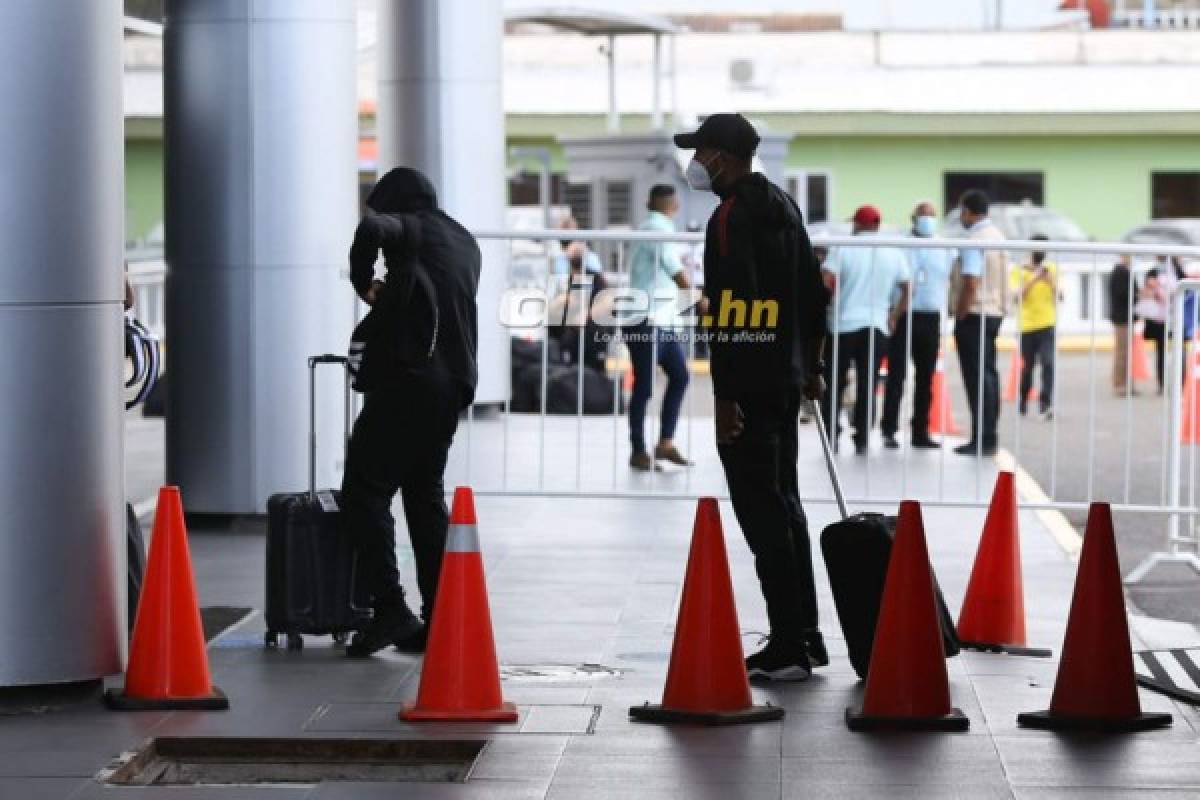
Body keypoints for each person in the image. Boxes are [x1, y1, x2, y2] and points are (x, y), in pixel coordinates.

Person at [675, 113, 830, 680]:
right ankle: (805, 636)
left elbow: (734, 314)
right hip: (786, 380)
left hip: (751, 386)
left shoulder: (730, 219)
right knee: (786, 505)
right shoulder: (785, 207)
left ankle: (789, 643)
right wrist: (812, 365)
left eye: (701, 152)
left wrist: (725, 398)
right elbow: (816, 297)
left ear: (721, 156)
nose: (695, 163)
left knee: (763, 512)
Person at [342, 167, 480, 657]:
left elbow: (373, 231)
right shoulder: (463, 240)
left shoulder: (411, 226)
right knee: (423, 497)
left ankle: (389, 609)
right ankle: (440, 617)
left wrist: (365, 282)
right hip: (451, 385)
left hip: (410, 381)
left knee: (364, 490)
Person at [820, 205, 910, 455]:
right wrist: (894, 315)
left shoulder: (843, 247)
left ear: (858, 224)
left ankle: (831, 436)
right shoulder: (892, 251)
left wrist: (827, 304)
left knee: (835, 382)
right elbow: (907, 286)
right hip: (876, 326)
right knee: (867, 382)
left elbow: (826, 280)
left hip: (842, 325)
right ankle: (862, 438)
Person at [624, 184, 694, 470]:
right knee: (645, 386)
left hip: (660, 320)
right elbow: (672, 267)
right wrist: (697, 298)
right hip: (646, 318)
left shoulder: (656, 226)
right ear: (674, 204)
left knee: (679, 376)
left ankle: (664, 444)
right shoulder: (656, 228)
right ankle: (638, 450)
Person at [881, 202, 953, 449]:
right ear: (914, 218)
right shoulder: (900, 245)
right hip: (903, 315)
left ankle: (920, 431)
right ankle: (888, 429)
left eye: (932, 215)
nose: (928, 219)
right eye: (924, 215)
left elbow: (954, 276)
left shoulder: (945, 247)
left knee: (926, 377)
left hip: (930, 317)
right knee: (896, 375)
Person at [951, 189, 1008, 456]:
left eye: (962, 211)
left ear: (968, 212)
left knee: (977, 379)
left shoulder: (973, 240)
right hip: (995, 312)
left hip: (974, 314)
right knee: (989, 376)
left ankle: (981, 438)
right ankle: (989, 436)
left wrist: (960, 312)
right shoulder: (998, 237)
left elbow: (971, 282)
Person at [1011, 234, 1058, 419]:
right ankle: (1023, 399)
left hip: (1047, 323)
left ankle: (1045, 404)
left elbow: (1059, 296)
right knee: (1028, 366)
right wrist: (1033, 278)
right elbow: (1018, 296)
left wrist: (1049, 280)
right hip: (1027, 325)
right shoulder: (1019, 271)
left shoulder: (1051, 269)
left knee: (1048, 363)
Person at [1109, 254, 1137, 396]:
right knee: (1122, 353)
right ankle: (1120, 384)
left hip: (1126, 317)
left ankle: (1125, 383)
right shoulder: (1120, 272)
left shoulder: (1123, 271)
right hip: (1122, 318)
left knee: (1126, 352)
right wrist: (1137, 295)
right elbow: (1123, 294)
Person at [1137, 267, 1169, 394]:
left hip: (1164, 322)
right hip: (1156, 323)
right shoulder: (1148, 289)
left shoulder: (1164, 285)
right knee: (1160, 354)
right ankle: (1161, 384)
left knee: (1161, 354)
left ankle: (1163, 383)